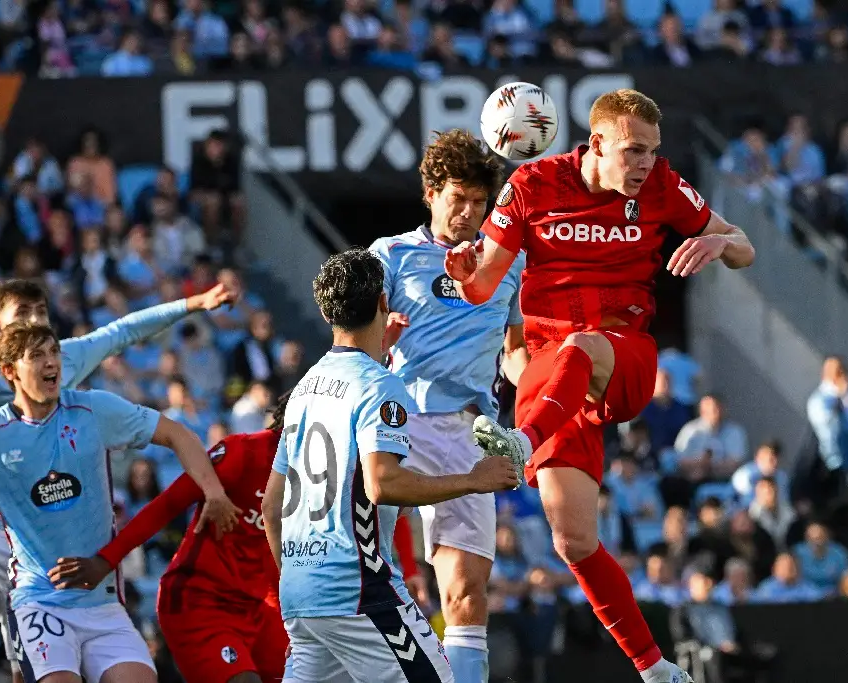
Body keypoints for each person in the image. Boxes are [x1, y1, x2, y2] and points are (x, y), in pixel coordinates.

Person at [445, 88, 754, 683]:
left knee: (581, 346)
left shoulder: (662, 185)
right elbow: (481, 288)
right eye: (633, 150)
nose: (645, 163)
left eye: (652, 151)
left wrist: (720, 241)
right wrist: (463, 275)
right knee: (574, 541)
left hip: (621, 356)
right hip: (551, 376)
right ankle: (655, 668)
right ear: (597, 143)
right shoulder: (533, 185)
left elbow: (745, 248)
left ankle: (521, 441)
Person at [0, 277, 236, 683]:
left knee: (27, 673)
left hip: (75, 567)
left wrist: (194, 303)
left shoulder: (80, 384)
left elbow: (125, 330)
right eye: (23, 313)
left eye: (41, 312)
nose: (35, 320)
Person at [260, 249, 519, 683]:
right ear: (384, 302)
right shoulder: (380, 385)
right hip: (359, 593)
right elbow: (382, 484)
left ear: (326, 313)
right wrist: (473, 480)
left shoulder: (303, 390)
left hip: (301, 595)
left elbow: (271, 507)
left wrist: (300, 583)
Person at [369, 128, 526, 683]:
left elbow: (516, 354)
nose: (468, 212)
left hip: (469, 433)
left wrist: (539, 399)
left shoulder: (508, 261)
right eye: (458, 198)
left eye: (480, 202)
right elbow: (351, 345)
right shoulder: (391, 255)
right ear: (431, 194)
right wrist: (382, 339)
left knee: (466, 594)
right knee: (361, 582)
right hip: (393, 425)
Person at [48, 393, 297, 683]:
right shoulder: (244, 452)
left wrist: (291, 617)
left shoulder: (319, 479)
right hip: (200, 601)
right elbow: (166, 506)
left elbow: (276, 558)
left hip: (259, 608)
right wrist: (105, 560)